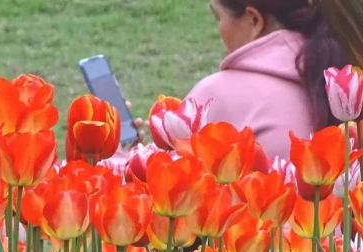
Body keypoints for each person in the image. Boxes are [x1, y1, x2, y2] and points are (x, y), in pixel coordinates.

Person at [135, 0, 348, 159]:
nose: (218, 30)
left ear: (254, 20)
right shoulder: (346, 78)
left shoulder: (216, 95)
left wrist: (113, 152)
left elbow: (163, 188)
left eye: (219, 18)